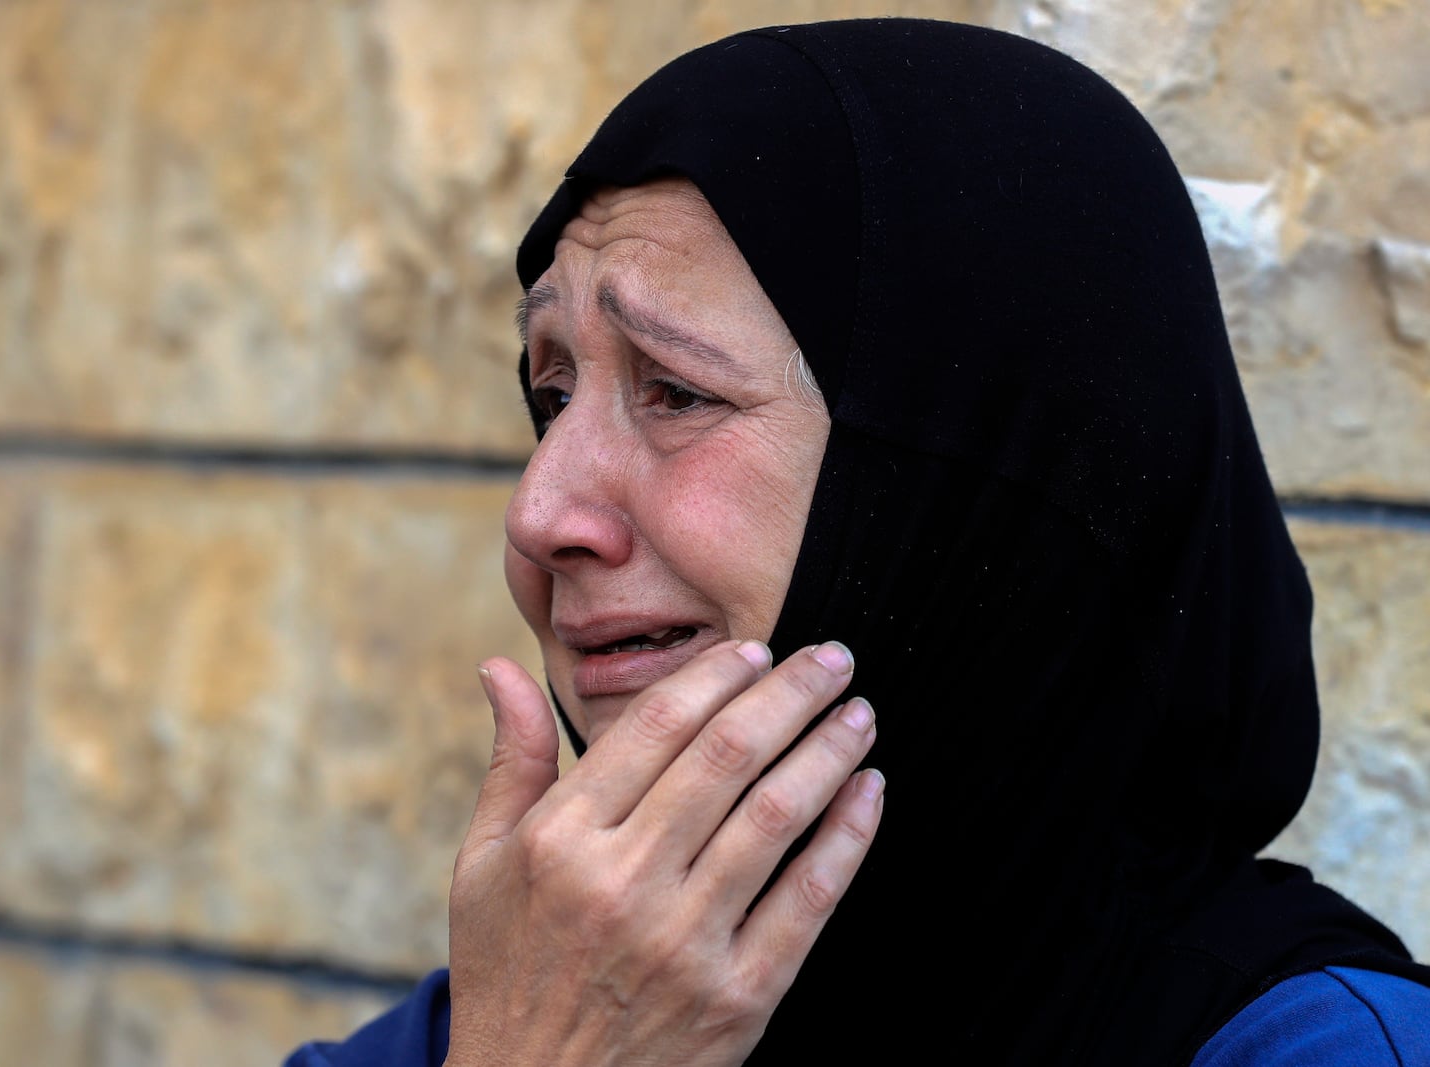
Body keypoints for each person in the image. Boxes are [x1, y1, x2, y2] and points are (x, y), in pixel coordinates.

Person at [287, 18, 1430, 1066]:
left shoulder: (1312, 1046)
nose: (540, 513)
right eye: (551, 392)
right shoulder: (541, 1000)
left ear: (974, 487)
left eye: (675, 392)